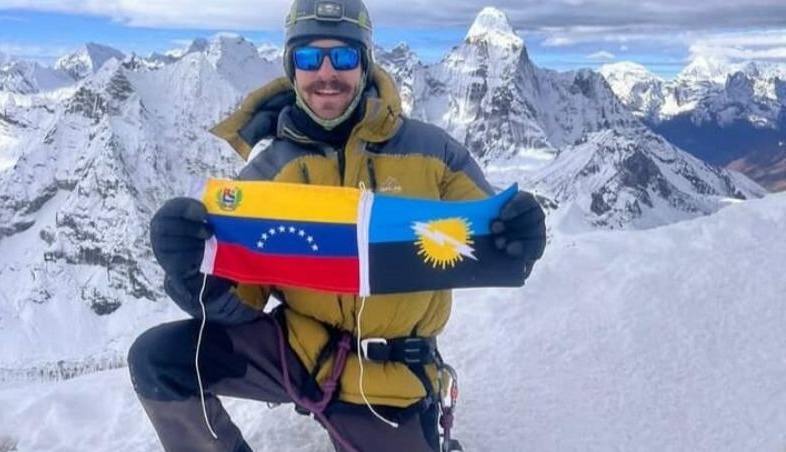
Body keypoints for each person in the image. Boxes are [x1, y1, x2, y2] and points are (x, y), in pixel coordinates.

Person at [127, 0, 547, 451]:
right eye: (309, 57)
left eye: (343, 57)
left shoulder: (434, 155)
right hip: (299, 352)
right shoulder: (268, 173)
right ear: (292, 68)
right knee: (160, 360)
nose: (326, 73)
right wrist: (192, 266)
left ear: (364, 64)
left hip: (391, 375)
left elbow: (493, 233)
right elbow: (241, 303)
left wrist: (521, 233)